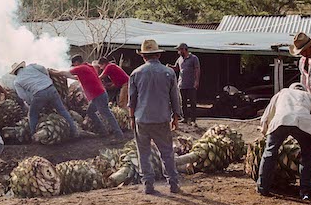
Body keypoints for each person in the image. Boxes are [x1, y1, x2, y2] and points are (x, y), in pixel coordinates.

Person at [257, 83, 311, 199]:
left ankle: (262, 187)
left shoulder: (282, 93)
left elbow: (266, 116)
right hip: (305, 123)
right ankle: (306, 191)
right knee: (308, 156)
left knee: (269, 153)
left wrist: (266, 133)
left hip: (281, 121)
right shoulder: (310, 97)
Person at [129, 39, 182, 194]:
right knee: (166, 153)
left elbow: (131, 101)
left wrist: (132, 119)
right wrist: (176, 117)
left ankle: (148, 185)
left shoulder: (135, 73)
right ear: (158, 55)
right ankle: (173, 183)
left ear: (143, 56)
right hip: (162, 119)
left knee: (143, 154)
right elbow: (175, 97)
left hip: (142, 119)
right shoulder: (169, 72)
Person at [51, 55, 123, 139]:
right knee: (90, 112)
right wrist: (57, 72)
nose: (74, 66)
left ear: (77, 62)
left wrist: (52, 72)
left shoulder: (80, 68)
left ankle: (119, 136)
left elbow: (65, 73)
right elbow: (74, 77)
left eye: (74, 64)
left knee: (107, 114)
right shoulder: (88, 66)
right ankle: (103, 132)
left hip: (98, 95)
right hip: (98, 95)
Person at [10, 61, 78, 137]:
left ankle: (34, 135)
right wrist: (47, 77)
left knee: (33, 115)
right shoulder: (32, 66)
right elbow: (43, 68)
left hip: (39, 94)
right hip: (51, 88)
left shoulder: (17, 81)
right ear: (22, 67)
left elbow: (23, 96)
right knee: (62, 110)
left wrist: (31, 102)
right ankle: (74, 131)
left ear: (15, 73)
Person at [168, 43, 200, 126]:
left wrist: (196, 81)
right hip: (182, 84)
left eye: (180, 50)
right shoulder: (179, 59)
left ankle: (193, 120)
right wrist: (170, 67)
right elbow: (176, 68)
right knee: (183, 103)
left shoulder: (193, 58)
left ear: (184, 49)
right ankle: (185, 118)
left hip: (191, 83)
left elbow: (197, 69)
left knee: (192, 102)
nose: (178, 52)